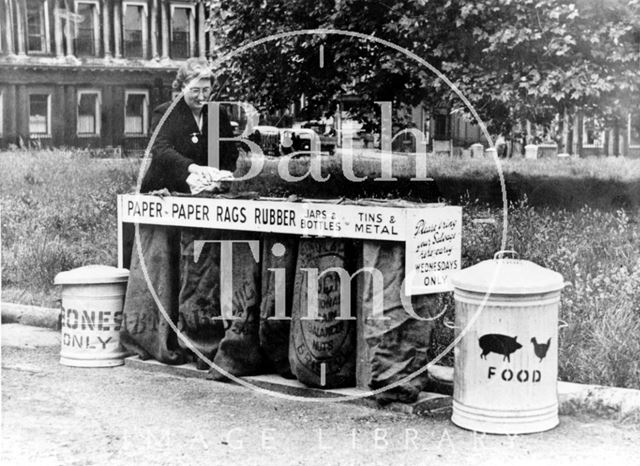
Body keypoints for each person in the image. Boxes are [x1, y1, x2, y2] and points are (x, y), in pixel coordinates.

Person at [121, 58, 239, 365]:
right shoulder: (167, 113)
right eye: (195, 89)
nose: (202, 96)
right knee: (167, 266)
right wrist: (191, 168)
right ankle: (160, 337)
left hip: (203, 198)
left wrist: (220, 175)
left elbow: (230, 152)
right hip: (164, 195)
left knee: (198, 267)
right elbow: (160, 150)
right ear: (181, 87)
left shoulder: (218, 115)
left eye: (207, 89)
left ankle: (197, 337)